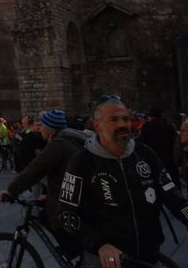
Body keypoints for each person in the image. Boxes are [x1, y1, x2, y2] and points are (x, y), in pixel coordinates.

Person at [59, 96, 188, 267]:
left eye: (126, 118)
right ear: (97, 124)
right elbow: (67, 214)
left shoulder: (145, 154)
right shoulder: (81, 162)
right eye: (113, 119)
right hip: (106, 260)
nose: (122, 124)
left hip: (148, 256)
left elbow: (174, 197)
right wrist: (100, 244)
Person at [0, 109, 89, 262]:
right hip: (79, 196)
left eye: (42, 126)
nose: (40, 129)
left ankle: (73, 252)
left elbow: (35, 170)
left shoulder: (58, 144)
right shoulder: (72, 139)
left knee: (47, 217)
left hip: (73, 202)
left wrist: (11, 190)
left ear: (50, 128)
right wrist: (49, 195)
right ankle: (75, 253)